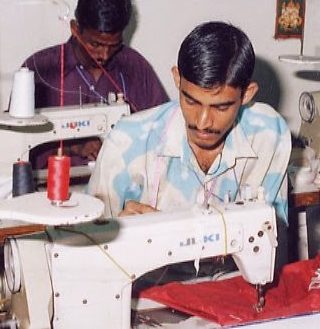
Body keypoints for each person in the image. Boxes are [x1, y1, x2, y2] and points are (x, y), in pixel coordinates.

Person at [87, 21, 291, 226]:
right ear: (177, 79)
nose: (202, 123)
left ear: (246, 94)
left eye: (220, 107)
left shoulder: (268, 135)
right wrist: (119, 233)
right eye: (191, 101)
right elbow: (88, 237)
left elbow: (273, 231)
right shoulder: (126, 141)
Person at [22, 0, 168, 168]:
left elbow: (164, 131)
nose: (104, 55)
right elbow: (18, 149)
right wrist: (71, 147)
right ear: (75, 29)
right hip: (54, 184)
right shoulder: (40, 71)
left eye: (114, 46)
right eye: (95, 44)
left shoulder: (135, 68)